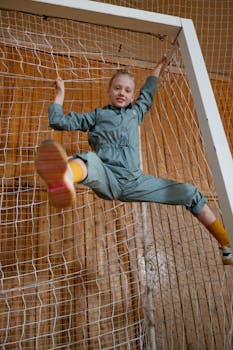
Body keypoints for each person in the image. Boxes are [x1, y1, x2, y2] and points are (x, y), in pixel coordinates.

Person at [35, 55, 233, 265]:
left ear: (132, 96)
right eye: (118, 88)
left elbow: (148, 92)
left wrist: (158, 67)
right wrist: (60, 95)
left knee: (191, 193)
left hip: (135, 182)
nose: (122, 93)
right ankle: (64, 176)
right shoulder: (97, 115)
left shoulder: (136, 112)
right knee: (90, 159)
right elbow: (58, 121)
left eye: (128, 90)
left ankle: (226, 245)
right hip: (107, 177)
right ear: (110, 91)